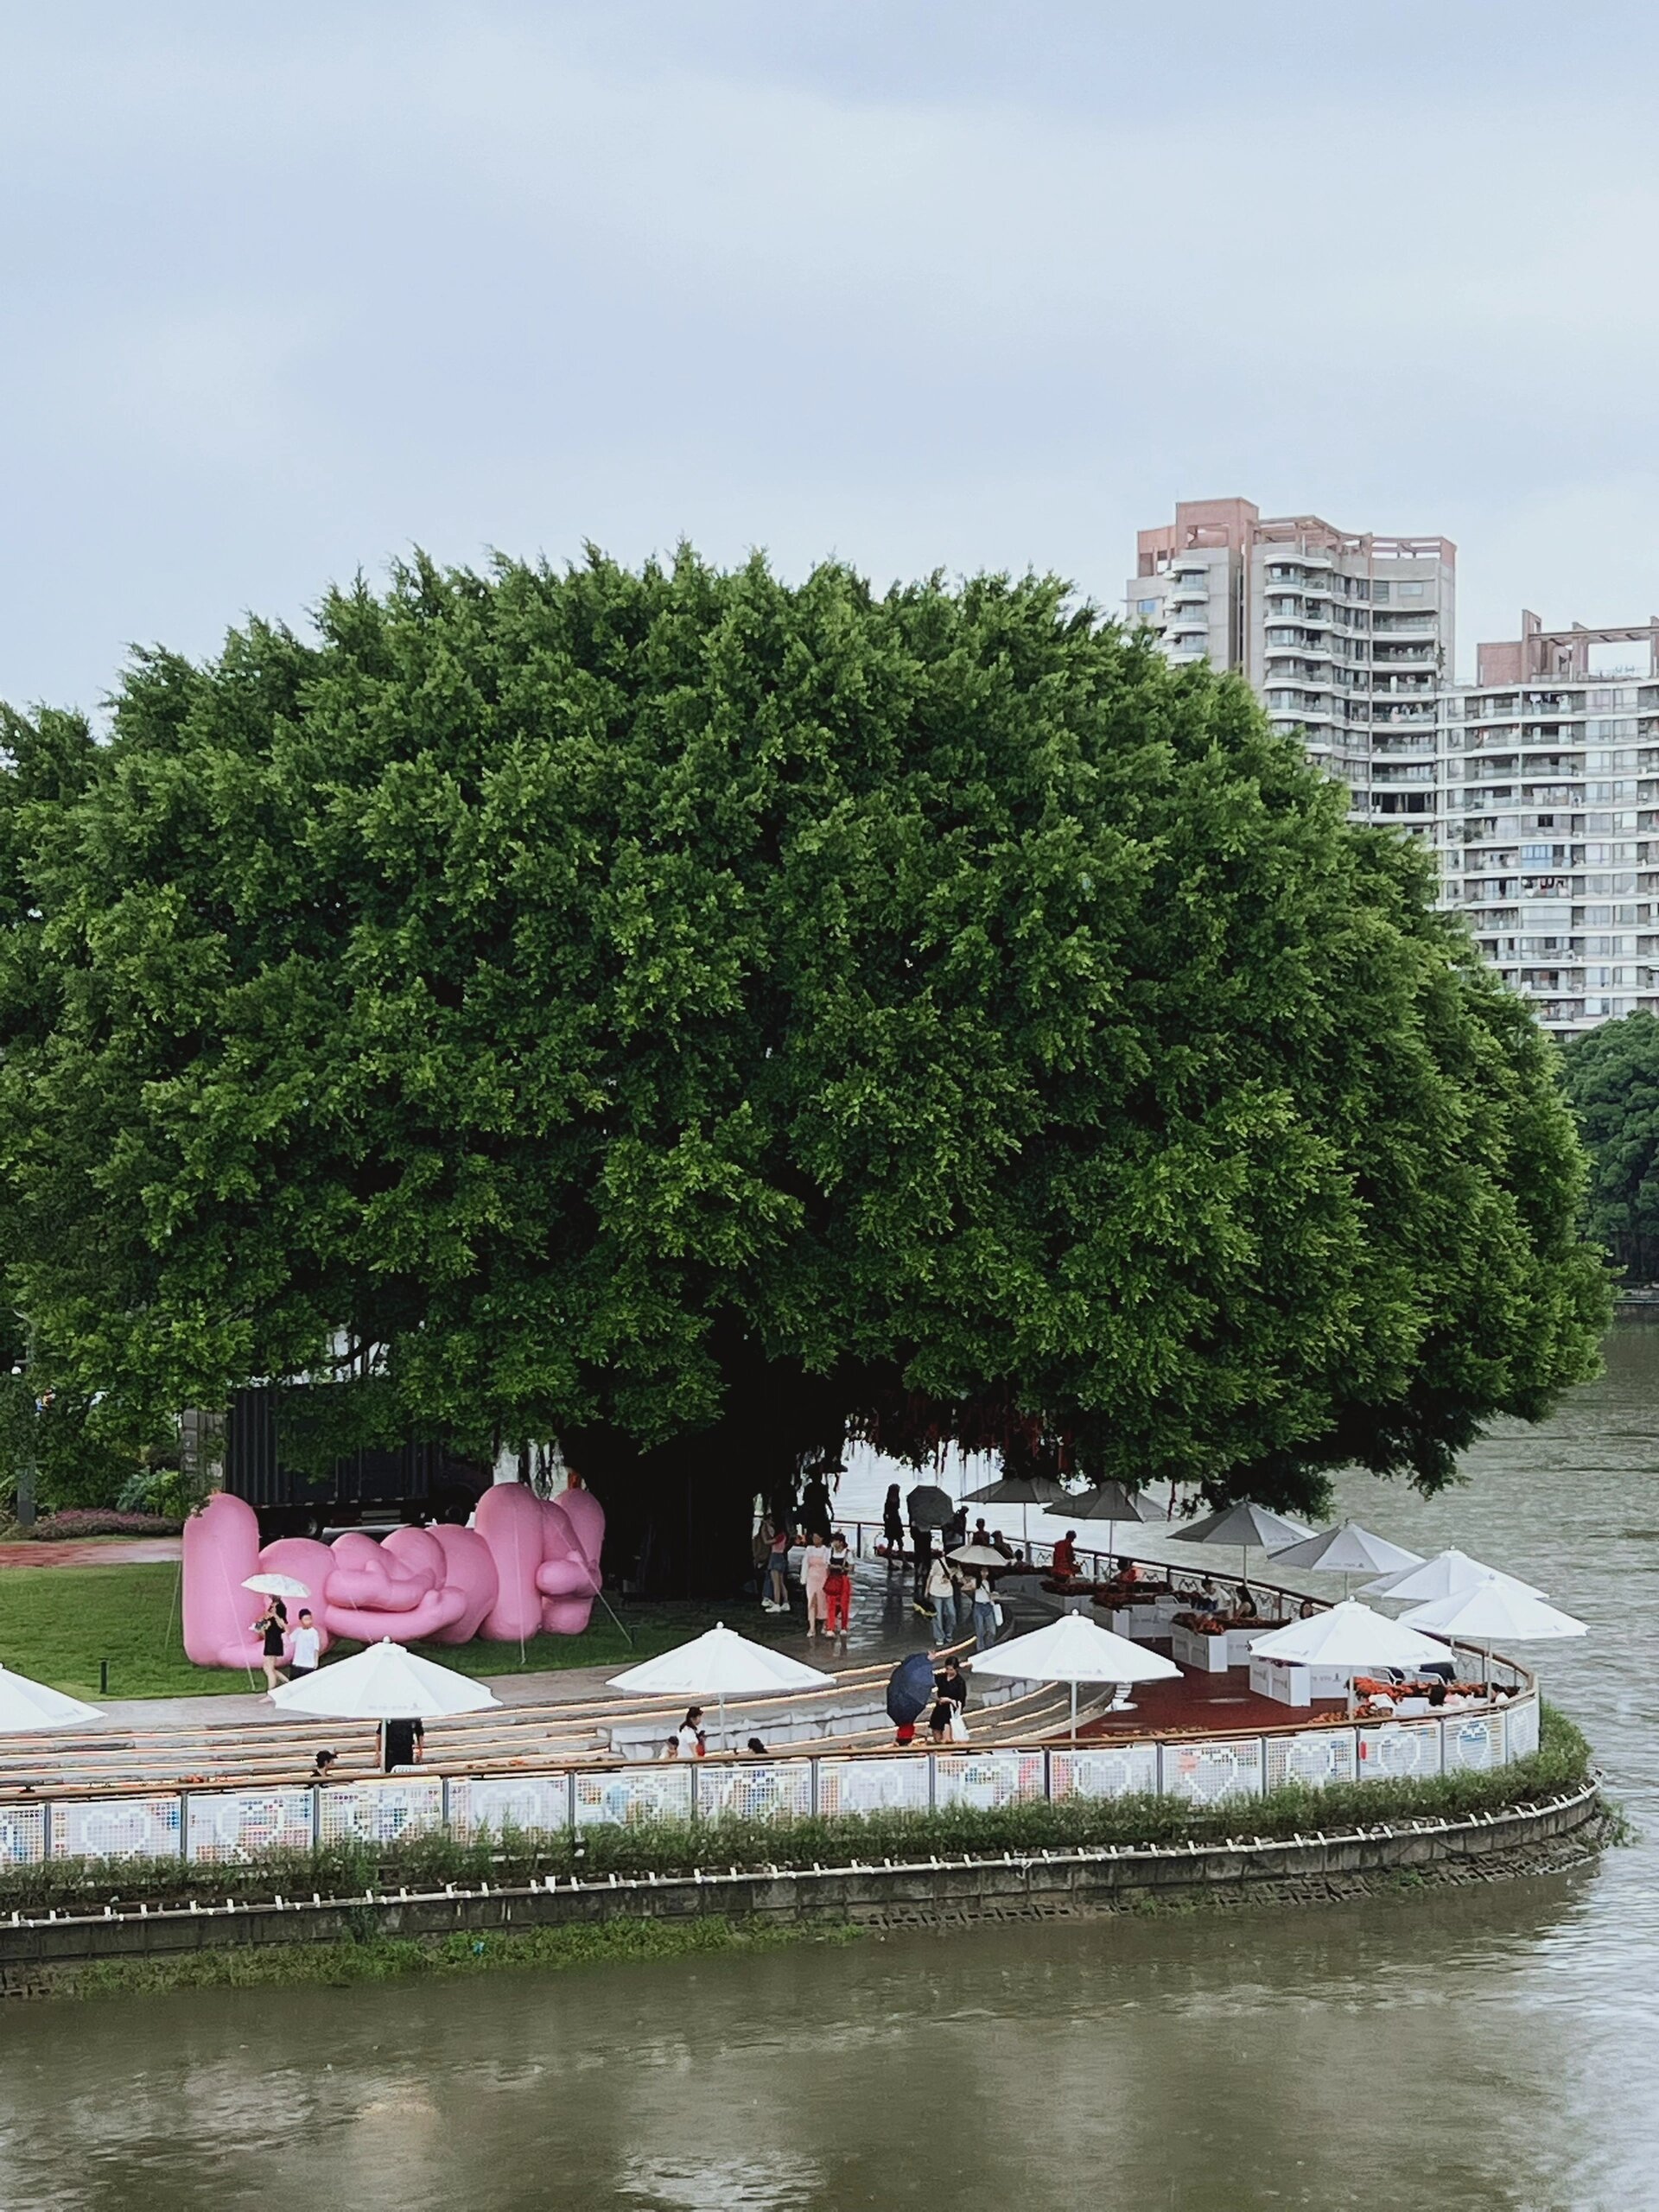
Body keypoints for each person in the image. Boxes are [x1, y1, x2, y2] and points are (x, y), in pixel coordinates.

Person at [251, 1596, 289, 1691]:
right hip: (270, 1642)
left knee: (269, 1668)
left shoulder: (279, 1613)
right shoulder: (271, 1613)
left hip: (274, 1643)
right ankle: (288, 1682)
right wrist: (260, 1627)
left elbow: (284, 1627)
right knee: (267, 1667)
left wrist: (275, 1615)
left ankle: (271, 1691)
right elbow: (265, 1630)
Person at [823, 1535, 854, 1643]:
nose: (833, 1543)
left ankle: (844, 1626)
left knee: (843, 1604)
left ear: (840, 1542)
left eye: (835, 1541)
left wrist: (842, 1568)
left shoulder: (847, 1553)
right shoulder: (830, 1552)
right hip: (833, 1578)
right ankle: (830, 1628)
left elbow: (851, 1568)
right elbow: (827, 1565)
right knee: (831, 1603)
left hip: (843, 1579)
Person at [801, 1532, 832, 1639]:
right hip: (811, 1578)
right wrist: (803, 1579)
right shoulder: (809, 1549)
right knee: (812, 1602)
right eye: (813, 1537)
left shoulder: (826, 1551)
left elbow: (828, 1565)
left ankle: (825, 1623)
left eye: (817, 1538)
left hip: (822, 1578)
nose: (815, 1540)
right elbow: (805, 1564)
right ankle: (812, 1627)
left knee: (823, 1602)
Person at [925, 1550, 956, 1647]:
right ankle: (939, 1637)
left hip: (948, 1592)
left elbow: (959, 1578)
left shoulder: (956, 1565)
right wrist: (927, 1589)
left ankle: (948, 1634)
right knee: (937, 1616)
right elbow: (930, 1576)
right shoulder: (938, 1562)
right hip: (936, 1592)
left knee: (952, 1614)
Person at [764, 1519, 792, 1612]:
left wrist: (764, 1530)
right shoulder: (784, 1535)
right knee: (781, 1582)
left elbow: (767, 1542)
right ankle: (786, 1602)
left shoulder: (780, 1536)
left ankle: (776, 1604)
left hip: (775, 1557)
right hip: (781, 1557)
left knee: (775, 1583)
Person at [289, 1609, 321, 1677]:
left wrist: (316, 1662)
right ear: (301, 1621)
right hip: (297, 1664)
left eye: (310, 1619)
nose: (309, 1622)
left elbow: (316, 1648)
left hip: (309, 1665)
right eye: (306, 1619)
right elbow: (289, 1639)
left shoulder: (313, 1632)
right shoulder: (298, 1631)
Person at [972, 1571, 999, 1650]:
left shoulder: (990, 1582)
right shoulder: (975, 1581)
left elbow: (994, 1594)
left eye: (986, 1571)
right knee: (980, 1631)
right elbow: (966, 1588)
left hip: (988, 1605)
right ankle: (980, 1649)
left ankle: (989, 1647)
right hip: (978, 1606)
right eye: (982, 1571)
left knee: (992, 1630)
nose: (984, 1573)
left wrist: (994, 1596)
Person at [882, 1484, 905, 1562]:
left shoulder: (890, 1501)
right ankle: (893, 1561)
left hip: (894, 1522)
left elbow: (885, 1515)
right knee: (896, 1543)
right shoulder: (890, 1502)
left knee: (896, 1543)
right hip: (893, 1522)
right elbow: (886, 1514)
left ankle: (895, 1561)